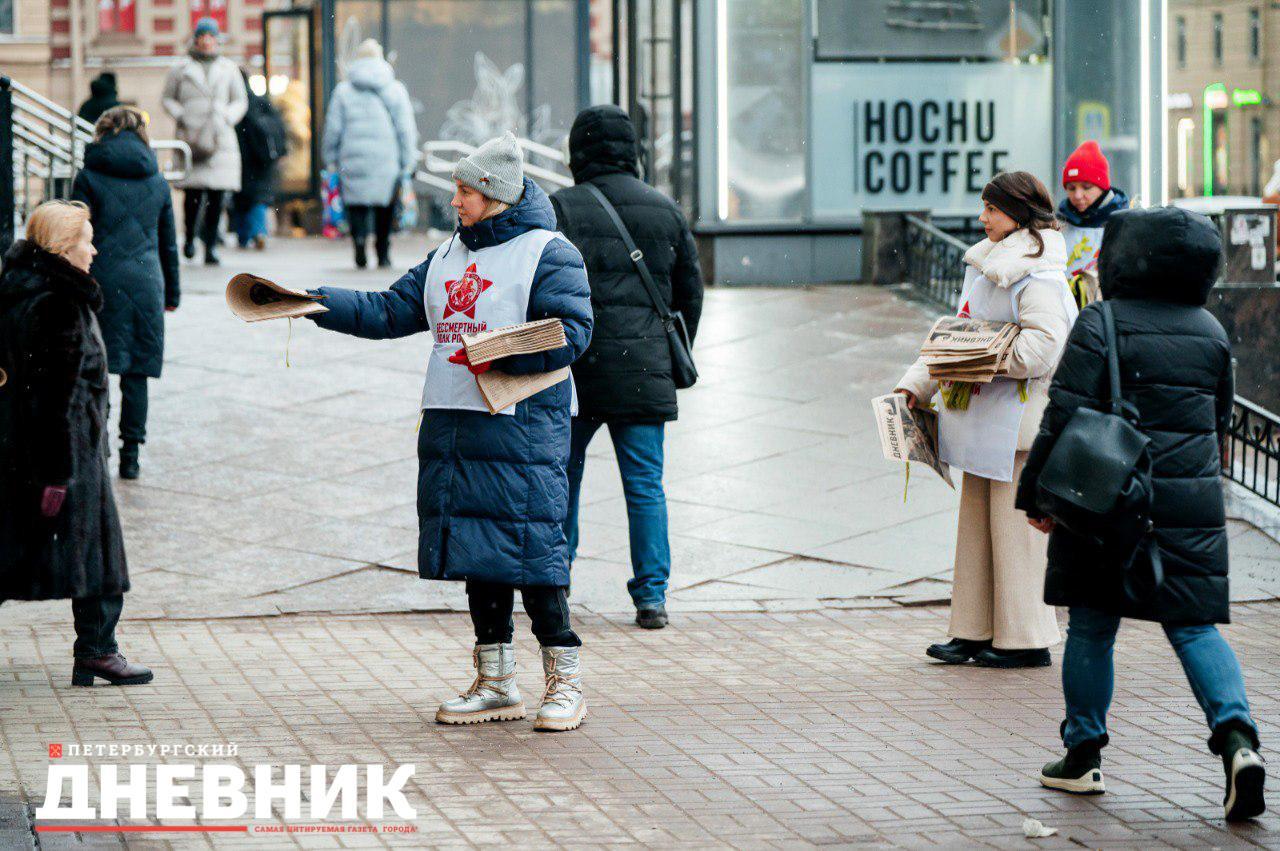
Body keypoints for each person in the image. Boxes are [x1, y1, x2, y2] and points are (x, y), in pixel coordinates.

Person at [304, 134, 593, 731]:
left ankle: (565, 682)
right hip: (453, 423)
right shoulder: (446, 255)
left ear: (495, 195)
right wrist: (315, 303)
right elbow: (389, 310)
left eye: (465, 192)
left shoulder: (549, 252)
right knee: (477, 553)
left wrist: (496, 350)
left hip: (521, 430)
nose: (455, 201)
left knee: (534, 555)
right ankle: (496, 683)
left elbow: (572, 332)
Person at [1016, 206, 1265, 821]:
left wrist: (1036, 495)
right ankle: (1238, 742)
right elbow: (1218, 421)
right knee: (1194, 626)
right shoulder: (1210, 330)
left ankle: (1083, 756)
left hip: (1107, 500)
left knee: (1091, 626)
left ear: (1122, 260)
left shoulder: (1101, 320)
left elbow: (1063, 411)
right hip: (1188, 503)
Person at [895, 171, 1078, 669]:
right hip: (984, 420)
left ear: (1016, 214)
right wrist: (915, 385)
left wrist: (985, 357)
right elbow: (955, 333)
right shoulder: (987, 264)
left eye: (991, 209)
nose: (982, 218)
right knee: (977, 531)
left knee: (1017, 534)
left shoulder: (1039, 275)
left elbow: (1043, 347)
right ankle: (974, 629)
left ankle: (1025, 638)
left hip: (1018, 425)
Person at [550, 105, 704, 630]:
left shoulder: (562, 209)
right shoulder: (665, 209)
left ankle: (557, 582)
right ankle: (651, 596)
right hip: (642, 370)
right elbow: (690, 295)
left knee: (562, 477)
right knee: (644, 484)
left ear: (579, 151)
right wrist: (662, 350)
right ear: (632, 150)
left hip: (576, 369)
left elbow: (542, 286)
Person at [0, 201, 153, 687]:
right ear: (64, 248)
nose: (95, 249)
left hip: (25, 447)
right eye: (87, 240)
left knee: (15, 549)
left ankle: (96, 650)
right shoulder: (59, 304)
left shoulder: (21, 289)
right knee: (95, 554)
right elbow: (55, 395)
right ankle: (97, 651)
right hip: (66, 452)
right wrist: (58, 473)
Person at [70, 106, 180, 480]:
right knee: (136, 371)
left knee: (95, 366)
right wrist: (172, 293)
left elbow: (74, 234)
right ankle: (130, 455)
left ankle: (98, 449)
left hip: (99, 280)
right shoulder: (157, 180)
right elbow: (168, 243)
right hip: (146, 282)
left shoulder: (88, 177)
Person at [321, 39, 417, 269]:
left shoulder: (343, 91)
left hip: (352, 159)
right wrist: (408, 161)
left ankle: (359, 243)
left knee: (356, 204)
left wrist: (330, 158)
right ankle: (383, 251)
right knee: (385, 206)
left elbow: (333, 129)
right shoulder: (395, 89)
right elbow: (405, 129)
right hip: (386, 159)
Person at [161, 17, 248, 266]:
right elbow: (167, 98)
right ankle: (190, 238)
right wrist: (182, 115)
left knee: (217, 198)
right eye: (202, 36)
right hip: (192, 137)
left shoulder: (229, 69)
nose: (207, 41)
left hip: (220, 139)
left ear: (217, 40)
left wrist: (227, 117)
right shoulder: (181, 69)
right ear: (196, 39)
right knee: (193, 195)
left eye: (211, 37)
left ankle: (211, 245)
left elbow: (240, 100)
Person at [1057, 141, 1129, 309]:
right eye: (1071, 188)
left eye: (1086, 187)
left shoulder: (1125, 224)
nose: (1078, 195)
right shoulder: (1059, 225)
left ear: (1103, 187)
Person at [231, 69, 287, 250]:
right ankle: (259, 231)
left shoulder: (234, 105)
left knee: (241, 198)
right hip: (262, 159)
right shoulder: (261, 101)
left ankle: (244, 235)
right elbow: (279, 129)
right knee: (259, 197)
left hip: (241, 158)